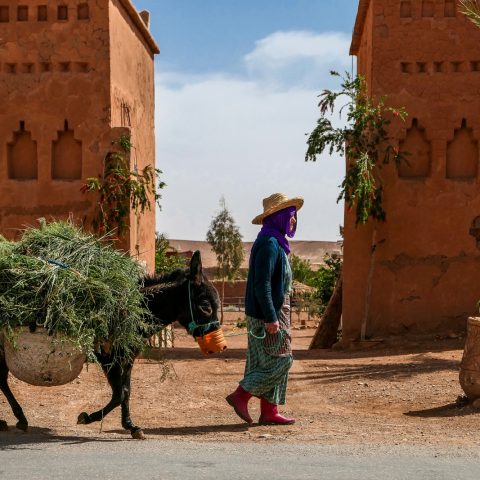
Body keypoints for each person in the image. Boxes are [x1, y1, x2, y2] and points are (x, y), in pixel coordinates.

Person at [226, 193, 303, 425]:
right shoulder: (269, 244)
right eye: (290, 216)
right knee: (282, 360)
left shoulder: (275, 241)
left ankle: (269, 411)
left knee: (265, 361)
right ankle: (241, 395)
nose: (293, 221)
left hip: (274, 311)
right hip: (266, 314)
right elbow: (263, 284)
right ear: (278, 216)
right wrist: (271, 317)